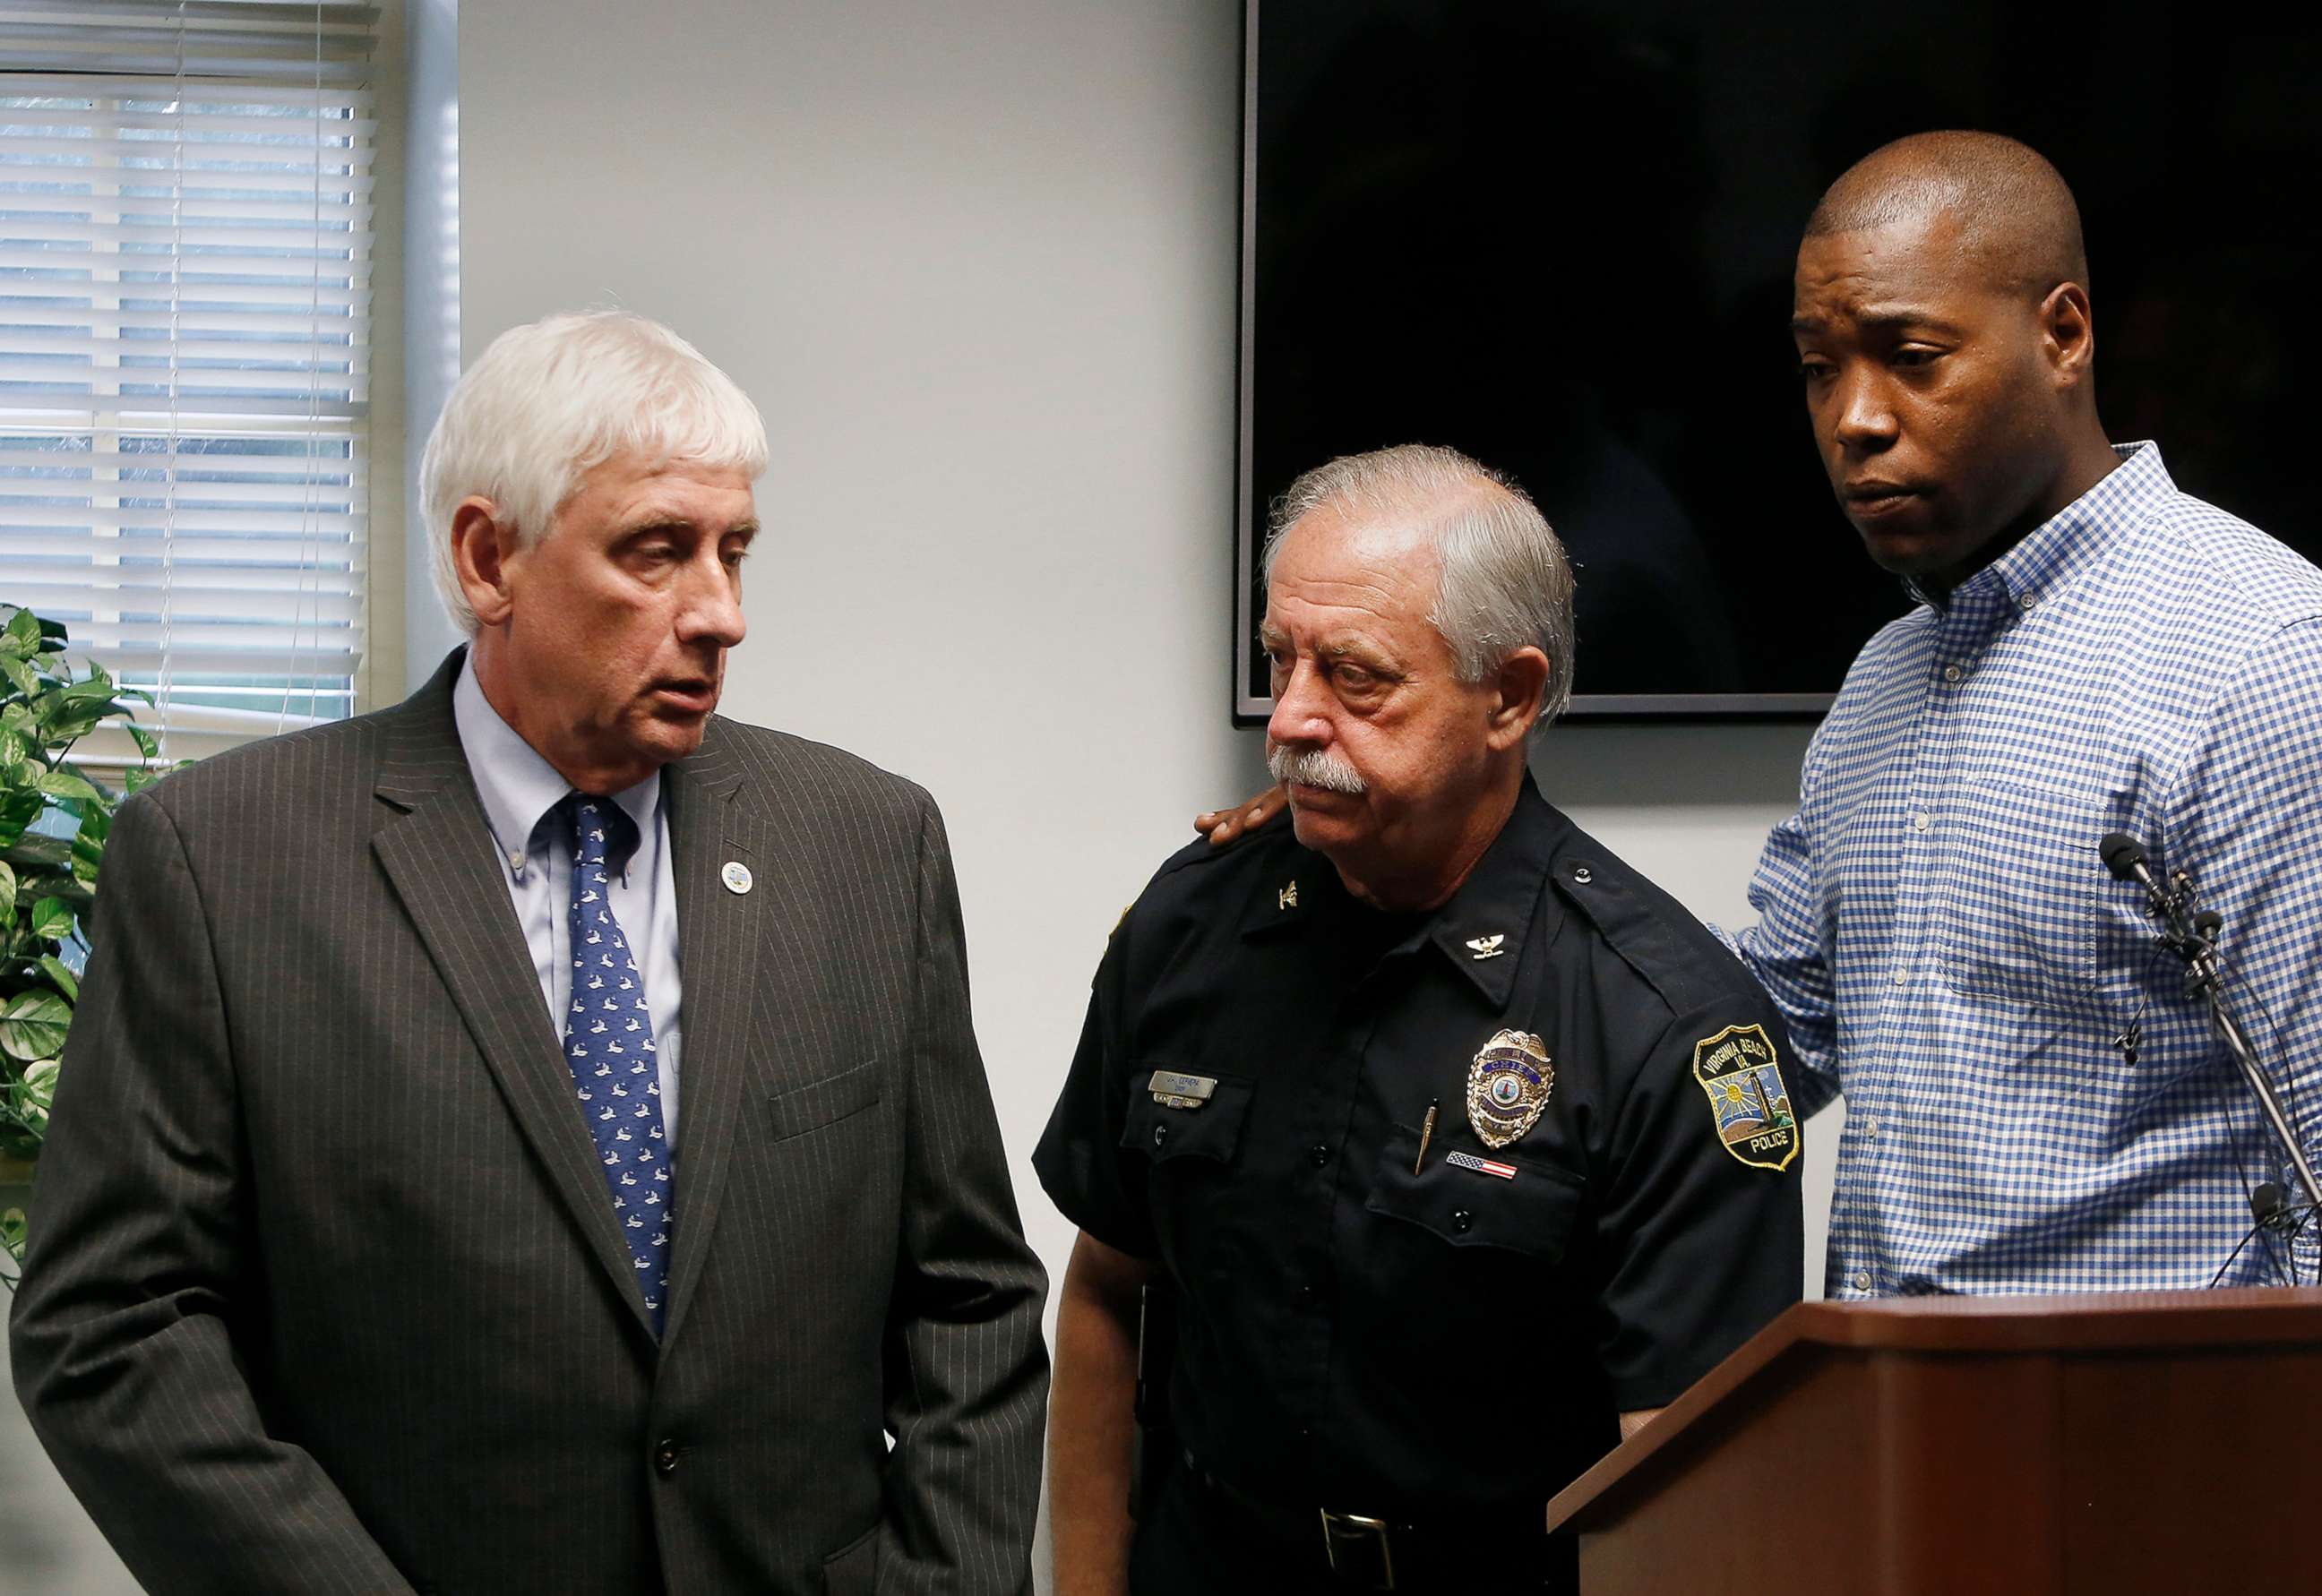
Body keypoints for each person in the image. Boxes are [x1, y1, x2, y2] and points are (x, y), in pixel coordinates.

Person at [11, 311, 1049, 1594]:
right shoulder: (223, 859)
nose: (719, 613)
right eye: (657, 552)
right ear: (489, 555)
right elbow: (113, 1329)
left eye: (735, 552)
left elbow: (970, 1299)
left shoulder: (865, 846)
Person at [1205, 132, 2322, 1296]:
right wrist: (1415, 858)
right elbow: (1759, 1042)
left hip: (2154, 1452)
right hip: (1889, 1424)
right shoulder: (1892, 680)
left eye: (1910, 355)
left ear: (2064, 334)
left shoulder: (2258, 666)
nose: (1854, 419)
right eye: (1819, 367)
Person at [1042, 444, 1802, 1594]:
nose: (1290, 720)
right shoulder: (1190, 926)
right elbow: (1106, 1288)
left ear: (1510, 695)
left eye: (1355, 678)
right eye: (1279, 661)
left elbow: (1694, 1491)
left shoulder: (1662, 1028)